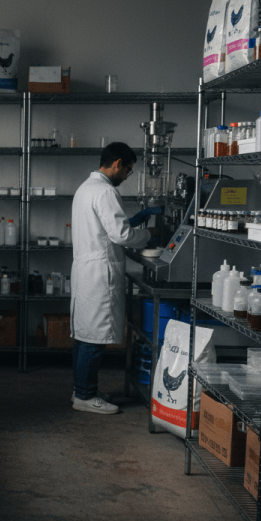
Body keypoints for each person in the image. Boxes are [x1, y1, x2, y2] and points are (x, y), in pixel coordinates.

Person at [70, 142, 161, 415]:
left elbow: (108, 226)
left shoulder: (86, 188)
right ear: (117, 164)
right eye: (128, 171)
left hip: (86, 271)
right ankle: (85, 397)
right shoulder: (106, 191)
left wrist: (135, 220)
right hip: (100, 274)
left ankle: (82, 390)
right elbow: (120, 236)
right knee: (94, 338)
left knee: (84, 335)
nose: (126, 177)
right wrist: (148, 234)